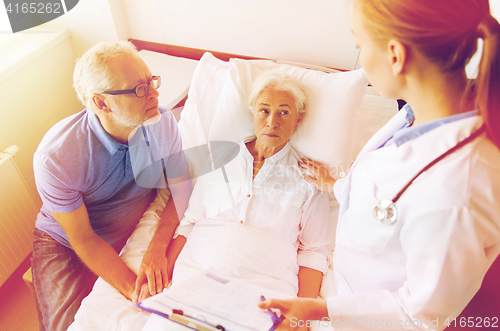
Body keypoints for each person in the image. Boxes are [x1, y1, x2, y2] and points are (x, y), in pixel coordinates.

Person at [259, 0, 500, 330]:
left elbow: (420, 316)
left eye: (360, 44)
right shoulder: (416, 115)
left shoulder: (457, 192)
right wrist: (337, 184)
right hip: (342, 288)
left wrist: (317, 310)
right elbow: (388, 197)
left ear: (395, 56)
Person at [142, 70, 334, 329]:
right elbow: (191, 220)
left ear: (298, 120)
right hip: (198, 272)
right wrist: (164, 278)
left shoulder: (311, 177)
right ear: (253, 113)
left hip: (266, 286)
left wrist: (300, 314)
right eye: (265, 110)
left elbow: (314, 250)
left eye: (284, 112)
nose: (272, 121)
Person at [32, 41, 191, 331]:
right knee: (65, 326)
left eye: (151, 81)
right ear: (101, 103)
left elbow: (182, 187)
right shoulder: (56, 156)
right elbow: (83, 238)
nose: (155, 94)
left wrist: (158, 244)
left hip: (126, 227)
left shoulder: (162, 123)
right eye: (139, 89)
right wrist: (135, 292)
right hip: (66, 240)